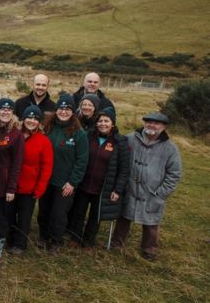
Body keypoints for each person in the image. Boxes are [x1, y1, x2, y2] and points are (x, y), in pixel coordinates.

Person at [111, 112, 182, 261]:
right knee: (124, 217)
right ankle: (117, 243)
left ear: (163, 127)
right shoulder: (131, 139)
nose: (151, 125)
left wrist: (161, 194)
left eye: (156, 123)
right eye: (149, 122)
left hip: (152, 192)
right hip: (129, 188)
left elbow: (174, 173)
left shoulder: (170, 148)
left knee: (151, 223)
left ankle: (149, 250)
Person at [68, 108, 129, 249]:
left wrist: (118, 189)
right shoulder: (88, 137)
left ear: (112, 124)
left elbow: (124, 169)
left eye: (106, 121)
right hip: (84, 183)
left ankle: (88, 241)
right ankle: (75, 238)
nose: (103, 124)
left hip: (103, 187)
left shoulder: (120, 142)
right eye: (100, 121)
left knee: (95, 216)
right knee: (79, 212)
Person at [37, 94, 88, 252]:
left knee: (58, 214)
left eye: (67, 109)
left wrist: (73, 182)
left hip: (64, 182)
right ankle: (43, 236)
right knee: (43, 211)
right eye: (61, 108)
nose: (64, 111)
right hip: (46, 179)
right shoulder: (47, 127)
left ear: (73, 112)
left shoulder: (79, 134)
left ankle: (56, 240)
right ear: (56, 110)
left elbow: (82, 161)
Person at [6, 105, 53, 254]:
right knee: (9, 213)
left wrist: (39, 189)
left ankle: (20, 244)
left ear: (39, 122)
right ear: (23, 119)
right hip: (11, 185)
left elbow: (47, 167)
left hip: (29, 188)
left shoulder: (44, 141)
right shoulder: (14, 135)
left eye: (35, 119)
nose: (31, 121)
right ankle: (8, 240)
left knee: (24, 218)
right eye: (29, 117)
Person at [0, 98, 24, 264]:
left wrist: (11, 188)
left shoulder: (16, 135)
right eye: (2, 109)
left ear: (13, 113)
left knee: (0, 215)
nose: (5, 112)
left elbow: (17, 163)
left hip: (3, 182)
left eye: (9, 110)